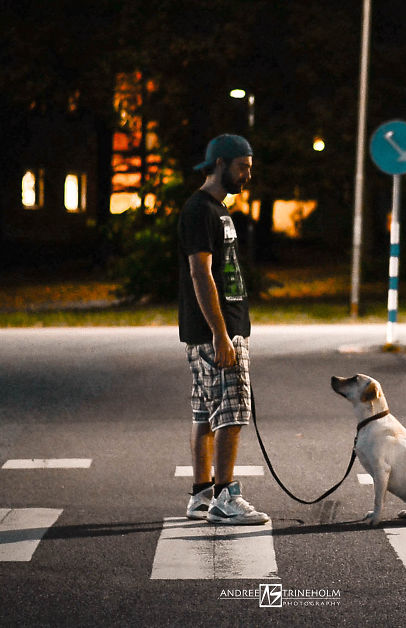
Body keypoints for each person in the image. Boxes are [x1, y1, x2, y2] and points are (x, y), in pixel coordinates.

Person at [178, 134, 270, 525]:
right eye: (242, 167)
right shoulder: (201, 210)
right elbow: (201, 272)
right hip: (217, 331)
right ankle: (225, 498)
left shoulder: (217, 210)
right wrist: (220, 333)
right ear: (220, 164)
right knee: (231, 414)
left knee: (205, 413)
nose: (247, 175)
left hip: (217, 329)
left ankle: (201, 495)